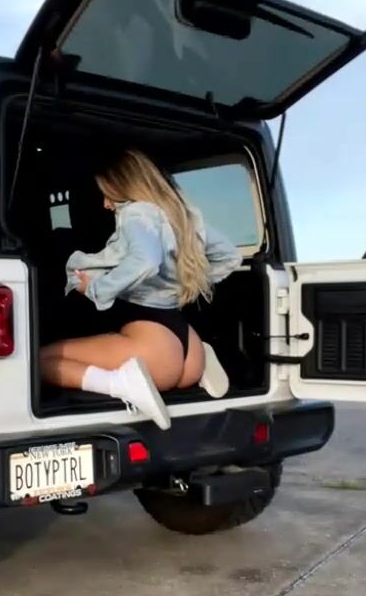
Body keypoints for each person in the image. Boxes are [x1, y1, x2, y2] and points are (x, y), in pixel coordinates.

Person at [39, 149, 242, 429]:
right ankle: (201, 361)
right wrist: (183, 282)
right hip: (188, 342)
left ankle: (121, 382)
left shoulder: (136, 213)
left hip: (155, 350)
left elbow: (146, 261)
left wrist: (97, 288)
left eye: (108, 194)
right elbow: (231, 256)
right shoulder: (180, 215)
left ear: (125, 186)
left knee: (39, 362)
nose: (106, 204)